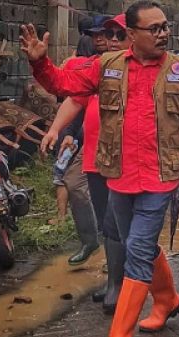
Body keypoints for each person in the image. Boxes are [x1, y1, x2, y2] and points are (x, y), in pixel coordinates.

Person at [21, 0, 179, 337]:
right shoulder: (106, 67)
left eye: (164, 26)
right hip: (118, 175)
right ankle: (168, 299)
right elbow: (63, 84)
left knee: (138, 248)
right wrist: (39, 63)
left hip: (161, 176)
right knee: (133, 243)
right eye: (153, 28)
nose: (162, 33)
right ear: (131, 35)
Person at [40, 13, 132, 313]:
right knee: (110, 225)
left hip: (126, 162)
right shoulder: (97, 69)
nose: (107, 40)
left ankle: (136, 285)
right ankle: (117, 282)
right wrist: (56, 129)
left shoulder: (143, 71)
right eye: (105, 35)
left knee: (131, 228)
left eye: (117, 35)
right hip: (95, 159)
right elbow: (73, 97)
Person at [41, 15, 112, 266]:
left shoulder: (130, 66)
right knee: (72, 181)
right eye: (96, 34)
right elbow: (74, 98)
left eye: (109, 33)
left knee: (123, 212)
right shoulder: (90, 66)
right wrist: (65, 131)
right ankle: (91, 240)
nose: (102, 39)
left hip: (123, 149)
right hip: (90, 143)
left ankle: (122, 269)